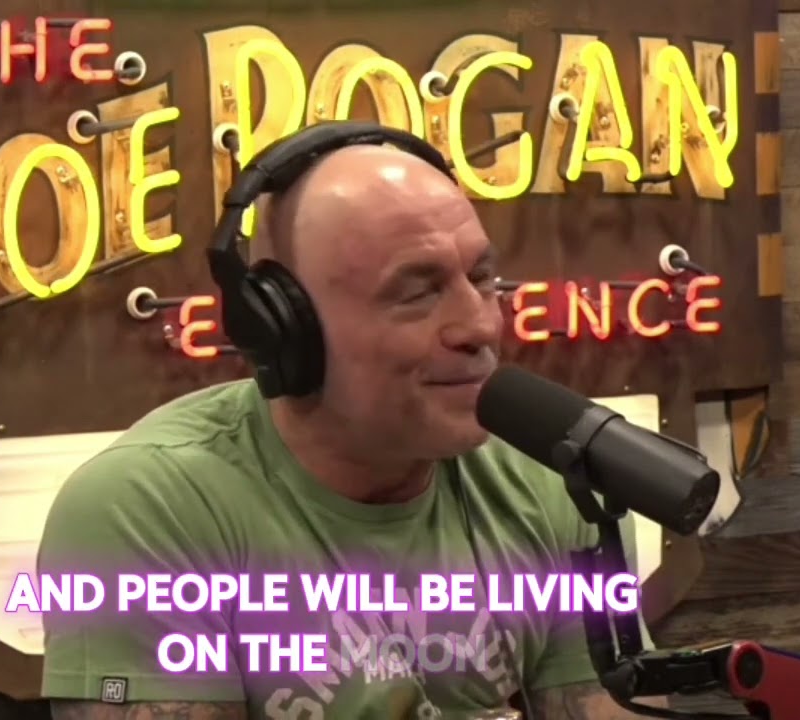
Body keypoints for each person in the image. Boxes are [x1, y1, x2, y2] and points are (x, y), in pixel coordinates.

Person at [37, 134, 667, 719]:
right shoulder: (148, 508)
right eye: (417, 292)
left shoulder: (548, 472)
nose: (479, 325)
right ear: (286, 331)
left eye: (480, 278)